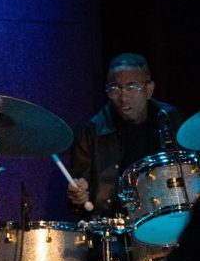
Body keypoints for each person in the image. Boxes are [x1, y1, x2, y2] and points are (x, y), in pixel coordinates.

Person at [67, 52, 185, 217]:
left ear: (149, 90)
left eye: (131, 87)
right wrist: (79, 195)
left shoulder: (173, 119)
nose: (123, 97)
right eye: (114, 88)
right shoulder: (91, 131)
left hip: (168, 216)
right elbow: (80, 197)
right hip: (116, 227)